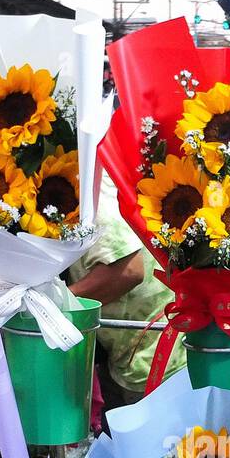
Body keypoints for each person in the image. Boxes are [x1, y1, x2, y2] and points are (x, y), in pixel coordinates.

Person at [74, 172, 182, 411]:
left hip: (159, 359)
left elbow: (128, 271)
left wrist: (51, 304)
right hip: (128, 358)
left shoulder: (88, 181)